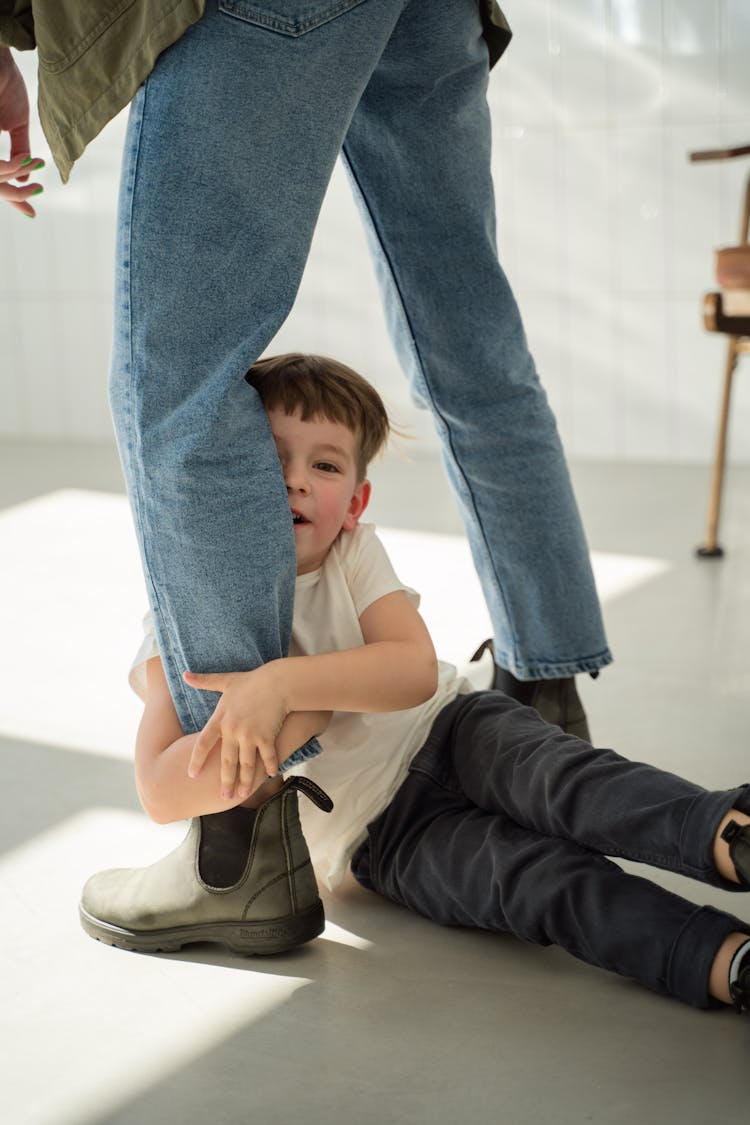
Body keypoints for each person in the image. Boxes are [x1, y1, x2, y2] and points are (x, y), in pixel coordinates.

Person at [80, 352, 750, 1014]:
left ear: (355, 500)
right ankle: (727, 964)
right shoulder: (182, 619)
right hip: (381, 840)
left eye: (325, 463)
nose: (295, 480)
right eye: (272, 454)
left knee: (574, 784)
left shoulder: (353, 553)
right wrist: (301, 717)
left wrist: (286, 684)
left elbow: (410, 670)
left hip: (455, 729)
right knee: (538, 884)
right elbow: (162, 791)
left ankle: (732, 835)